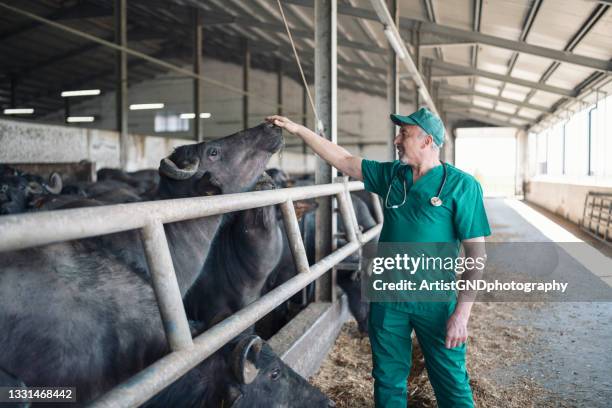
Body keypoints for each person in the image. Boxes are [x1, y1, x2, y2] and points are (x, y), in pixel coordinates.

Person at [266, 107, 490, 408]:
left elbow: (477, 254)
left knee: (450, 380)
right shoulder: (392, 176)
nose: (397, 140)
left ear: (427, 142)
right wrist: (299, 130)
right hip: (388, 301)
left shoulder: (462, 186)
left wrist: (461, 315)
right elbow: (344, 160)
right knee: (387, 380)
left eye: (404, 134)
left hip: (435, 302)